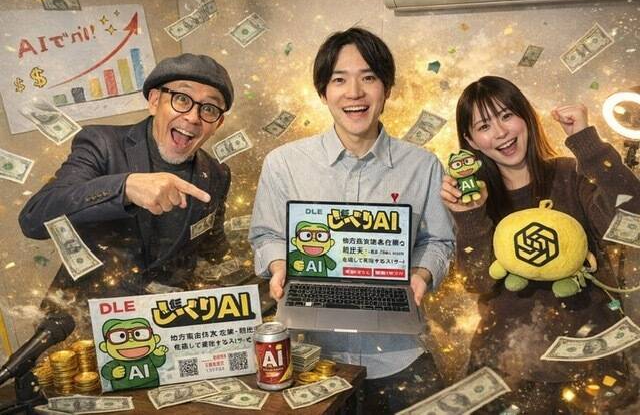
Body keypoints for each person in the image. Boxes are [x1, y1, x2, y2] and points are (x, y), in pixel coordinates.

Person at [249, 27, 455, 413]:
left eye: (369, 78)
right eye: (339, 79)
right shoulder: (284, 163)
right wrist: (278, 265)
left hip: (399, 356)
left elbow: (439, 241)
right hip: (311, 355)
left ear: (387, 88)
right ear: (323, 92)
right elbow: (267, 234)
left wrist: (421, 274)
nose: (355, 92)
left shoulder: (423, 165)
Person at [440, 75, 640, 413]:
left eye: (506, 116)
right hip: (508, 368)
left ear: (526, 116)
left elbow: (632, 217)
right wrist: (470, 217)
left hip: (588, 364)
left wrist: (587, 144)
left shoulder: (571, 175)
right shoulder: (473, 197)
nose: (500, 132)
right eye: (484, 126)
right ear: (471, 141)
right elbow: (476, 281)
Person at [19, 53, 235, 329]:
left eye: (209, 109)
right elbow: (34, 218)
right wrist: (125, 187)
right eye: (182, 99)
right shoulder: (102, 144)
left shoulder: (216, 174)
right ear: (154, 101)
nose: (193, 117)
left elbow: (212, 248)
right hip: (84, 325)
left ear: (217, 124)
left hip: (164, 327)